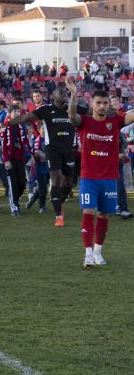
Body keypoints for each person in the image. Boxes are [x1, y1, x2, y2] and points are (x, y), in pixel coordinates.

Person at [64, 76, 134, 267]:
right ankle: (87, 254)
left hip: (110, 178)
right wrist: (72, 94)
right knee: (87, 212)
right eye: (98, 103)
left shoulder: (116, 121)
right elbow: (71, 116)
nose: (102, 106)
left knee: (103, 215)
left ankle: (98, 251)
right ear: (92, 104)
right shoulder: (84, 122)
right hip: (89, 177)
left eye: (105, 103)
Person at [7, 87, 76, 227]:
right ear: (53, 95)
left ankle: (58, 201)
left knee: (68, 185)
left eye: (65, 92)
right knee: (56, 180)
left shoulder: (72, 109)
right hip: (52, 151)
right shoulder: (45, 109)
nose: (63, 94)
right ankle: (58, 216)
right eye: (60, 92)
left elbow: (90, 112)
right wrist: (7, 123)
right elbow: (26, 117)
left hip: (69, 151)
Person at [1, 103, 31, 216]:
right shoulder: (5, 126)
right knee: (12, 183)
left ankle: (15, 200)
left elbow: (26, 142)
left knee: (22, 183)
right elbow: (4, 144)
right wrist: (6, 160)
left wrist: (30, 154)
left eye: (18, 112)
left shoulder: (22, 126)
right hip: (10, 159)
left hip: (20, 158)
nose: (17, 113)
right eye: (15, 112)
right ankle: (14, 207)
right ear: (10, 114)